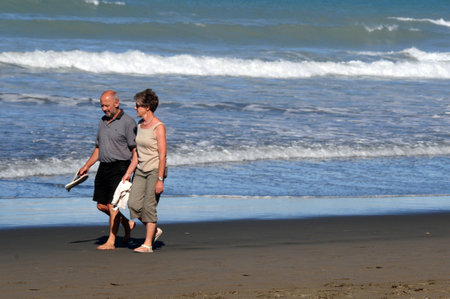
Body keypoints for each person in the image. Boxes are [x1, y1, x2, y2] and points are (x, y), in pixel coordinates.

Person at [79, 90, 137, 250]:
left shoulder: (128, 122)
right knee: (101, 205)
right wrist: (87, 166)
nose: (104, 109)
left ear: (116, 103)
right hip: (104, 167)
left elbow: (135, 150)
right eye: (102, 106)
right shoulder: (102, 121)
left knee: (113, 206)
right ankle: (127, 223)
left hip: (121, 167)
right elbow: (98, 148)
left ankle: (111, 242)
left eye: (107, 105)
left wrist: (130, 171)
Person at [122, 88, 167, 253]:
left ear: (147, 107)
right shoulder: (139, 125)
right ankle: (153, 230)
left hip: (155, 169)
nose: (135, 108)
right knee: (133, 204)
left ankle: (148, 244)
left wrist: (160, 179)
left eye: (138, 105)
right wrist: (128, 173)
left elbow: (162, 155)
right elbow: (137, 154)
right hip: (140, 170)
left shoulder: (159, 127)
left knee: (149, 206)